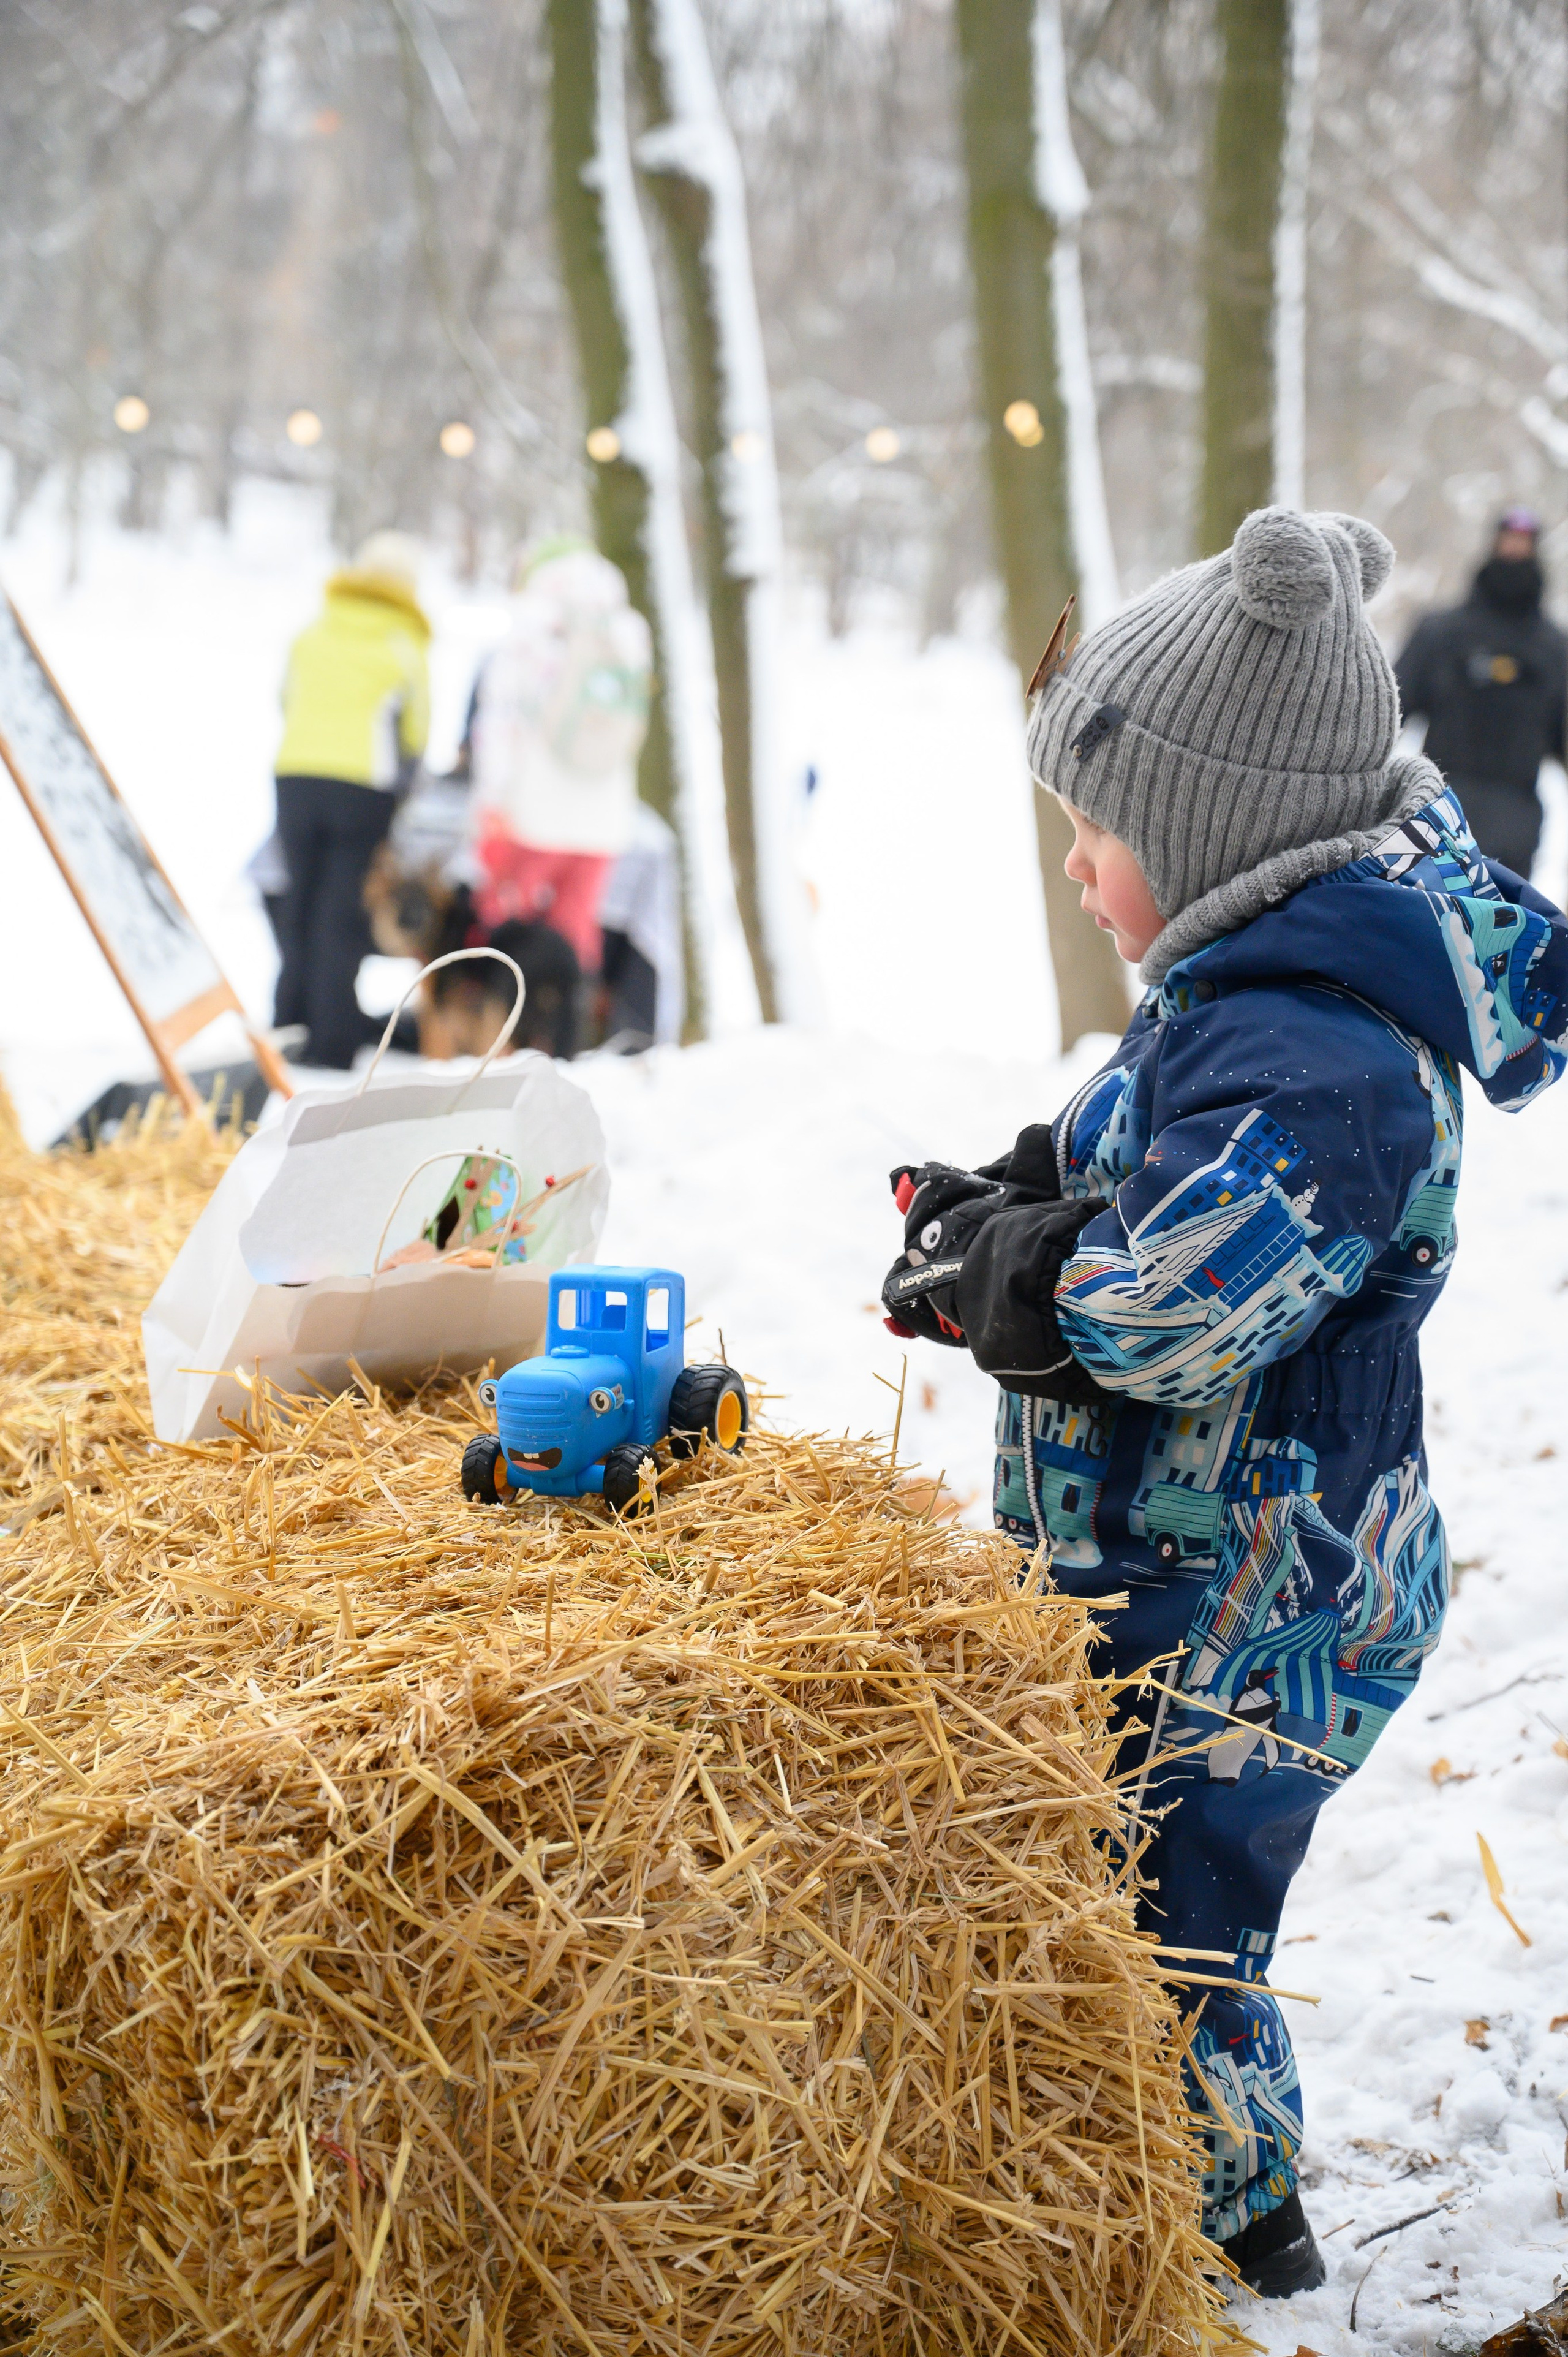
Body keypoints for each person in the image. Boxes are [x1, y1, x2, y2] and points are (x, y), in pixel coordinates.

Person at [879, 508, 1568, 2296]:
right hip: (1190, 1568)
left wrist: (1011, 1275)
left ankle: (1210, 2232)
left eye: (1091, 834)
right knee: (1124, 1888)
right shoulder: (1249, 991)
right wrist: (1020, 1179)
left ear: (1209, 837)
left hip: (1266, 1601)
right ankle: (1164, 2188)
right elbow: (1144, 1151)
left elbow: (1172, 1304)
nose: (1074, 870)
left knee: (1169, 1924)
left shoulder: (1321, 1053)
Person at [271, 529, 431, 1067]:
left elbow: (285, 698)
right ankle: (333, 1040)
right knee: (340, 914)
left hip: (295, 777)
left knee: (299, 903)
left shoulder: (312, 631)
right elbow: (416, 731)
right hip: (362, 787)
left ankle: (286, 1024)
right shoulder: (404, 641)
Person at [467, 538, 652, 981]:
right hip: (604, 817)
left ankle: (503, 1038)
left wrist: (490, 804)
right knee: (574, 933)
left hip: (534, 808)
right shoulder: (628, 630)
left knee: (507, 929)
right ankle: (565, 1041)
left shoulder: (533, 623)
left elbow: (500, 723)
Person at [1395, 507, 1567, 876]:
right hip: (1437, 816)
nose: (1515, 551)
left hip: (1514, 830)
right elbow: (1388, 715)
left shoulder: (1556, 651)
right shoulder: (1441, 633)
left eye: (1524, 543)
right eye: (1508, 540)